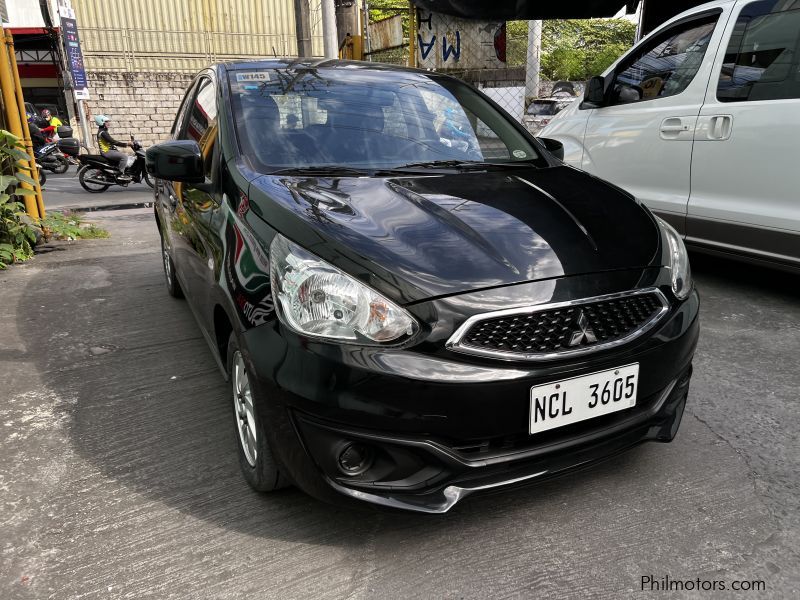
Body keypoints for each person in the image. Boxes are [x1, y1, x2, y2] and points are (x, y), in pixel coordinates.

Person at [94, 115, 131, 179]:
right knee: (124, 157)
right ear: (101, 122)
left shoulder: (104, 131)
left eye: (108, 121)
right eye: (106, 121)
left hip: (110, 150)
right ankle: (120, 174)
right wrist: (126, 144)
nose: (108, 123)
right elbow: (113, 142)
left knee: (122, 156)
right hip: (106, 151)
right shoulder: (103, 133)